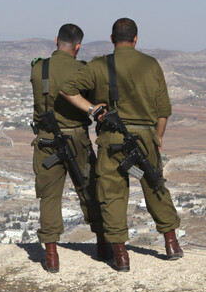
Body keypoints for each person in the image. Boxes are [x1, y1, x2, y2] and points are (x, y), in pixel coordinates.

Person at [61, 18, 183, 272]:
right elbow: (163, 111)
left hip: (112, 138)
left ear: (112, 39)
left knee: (112, 194)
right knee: (154, 185)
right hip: (145, 136)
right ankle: (171, 243)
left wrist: (92, 109)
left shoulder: (99, 65)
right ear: (136, 39)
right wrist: (158, 137)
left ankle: (120, 255)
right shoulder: (151, 65)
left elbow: (67, 89)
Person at [30, 23, 109, 273]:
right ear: (78, 47)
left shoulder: (38, 68)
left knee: (49, 195)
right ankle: (103, 244)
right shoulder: (83, 70)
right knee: (89, 188)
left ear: (56, 40)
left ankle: (51, 254)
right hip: (77, 138)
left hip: (46, 140)